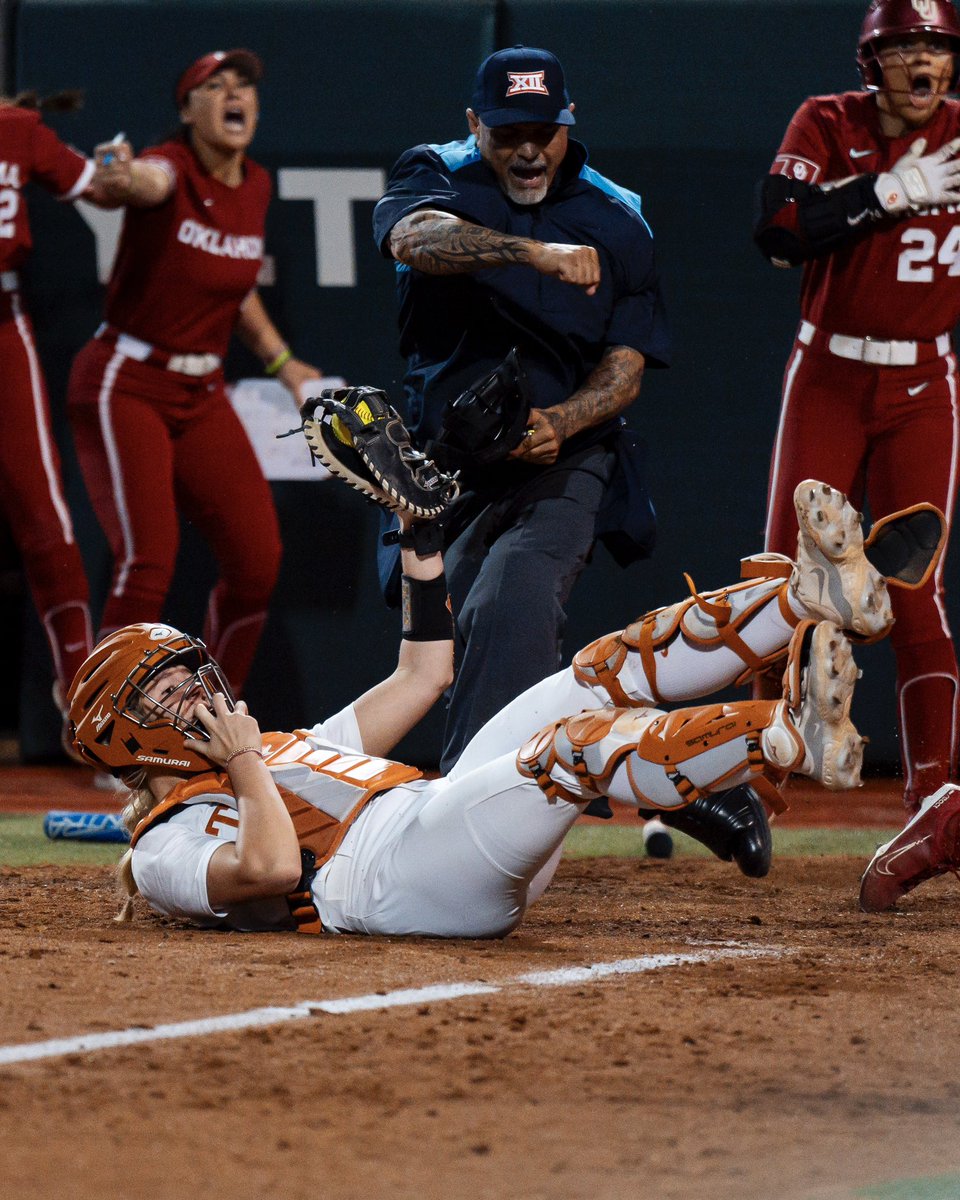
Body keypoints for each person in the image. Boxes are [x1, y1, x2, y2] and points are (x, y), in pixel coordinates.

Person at [67, 476, 932, 938]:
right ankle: (789, 735)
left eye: (192, 672)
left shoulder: (279, 746)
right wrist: (249, 762)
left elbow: (423, 676)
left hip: (435, 817)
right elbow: (267, 872)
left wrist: (422, 547)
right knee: (573, 749)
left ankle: (807, 600)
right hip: (401, 886)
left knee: (599, 671)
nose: (200, 692)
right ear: (125, 734)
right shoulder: (161, 849)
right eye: (169, 689)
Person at [372, 45, 670, 773]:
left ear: (571, 122)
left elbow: (627, 365)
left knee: (515, 600)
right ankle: (595, 775)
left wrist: (561, 422)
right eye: (508, 133)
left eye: (544, 129)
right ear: (475, 123)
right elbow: (409, 238)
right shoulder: (436, 170)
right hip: (446, 470)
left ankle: (465, 817)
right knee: (453, 638)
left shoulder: (619, 216)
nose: (529, 150)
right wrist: (531, 253)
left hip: (565, 462)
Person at [754, 0, 960, 823]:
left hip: (924, 382)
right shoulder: (828, 122)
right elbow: (775, 230)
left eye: (938, 45)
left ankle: (936, 795)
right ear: (871, 60)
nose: (924, 60)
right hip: (831, 371)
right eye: (905, 43)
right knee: (778, 579)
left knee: (917, 586)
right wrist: (882, 192)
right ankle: (754, 776)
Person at [66, 49, 321, 695]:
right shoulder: (168, 171)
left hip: (201, 390)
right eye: (215, 86)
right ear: (186, 110)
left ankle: (210, 711)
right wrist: (117, 175)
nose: (235, 95)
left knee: (258, 562)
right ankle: (107, 719)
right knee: (148, 560)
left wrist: (285, 363)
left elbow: (233, 288)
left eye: (244, 85)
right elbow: (134, 183)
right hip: (125, 380)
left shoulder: (256, 184)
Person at [0, 88, 99, 753]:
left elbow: (101, 185)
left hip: (3, 322)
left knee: (45, 518)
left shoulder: (18, 129)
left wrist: (136, 172)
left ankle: (84, 702)